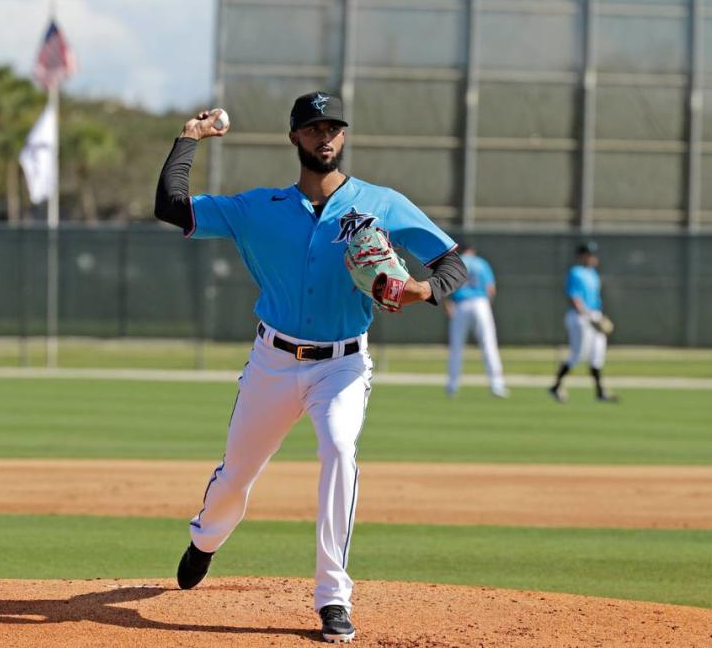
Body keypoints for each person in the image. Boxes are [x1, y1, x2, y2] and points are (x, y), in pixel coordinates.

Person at [154, 92, 467, 643]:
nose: (325, 136)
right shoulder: (258, 208)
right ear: (295, 137)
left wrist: (424, 289)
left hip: (343, 364)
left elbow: (451, 262)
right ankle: (205, 539)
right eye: (314, 127)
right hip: (272, 361)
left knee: (340, 451)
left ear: (343, 137)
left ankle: (333, 598)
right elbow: (171, 206)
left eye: (334, 127)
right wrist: (189, 138)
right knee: (236, 475)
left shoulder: (380, 204)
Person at [549, 241, 616, 403]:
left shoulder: (593, 273)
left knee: (597, 354)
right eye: (589, 254)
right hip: (580, 317)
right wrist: (587, 315)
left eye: (593, 254)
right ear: (582, 256)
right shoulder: (575, 272)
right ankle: (556, 386)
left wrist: (597, 316)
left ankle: (600, 392)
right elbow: (575, 298)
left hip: (594, 314)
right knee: (578, 355)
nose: (593, 257)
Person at [445, 243, 508, 398]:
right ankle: (497, 384)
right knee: (488, 344)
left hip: (460, 304)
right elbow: (490, 288)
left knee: (456, 346)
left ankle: (452, 385)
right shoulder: (481, 262)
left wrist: (448, 305)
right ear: (472, 250)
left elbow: (446, 287)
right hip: (480, 303)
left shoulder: (457, 263)